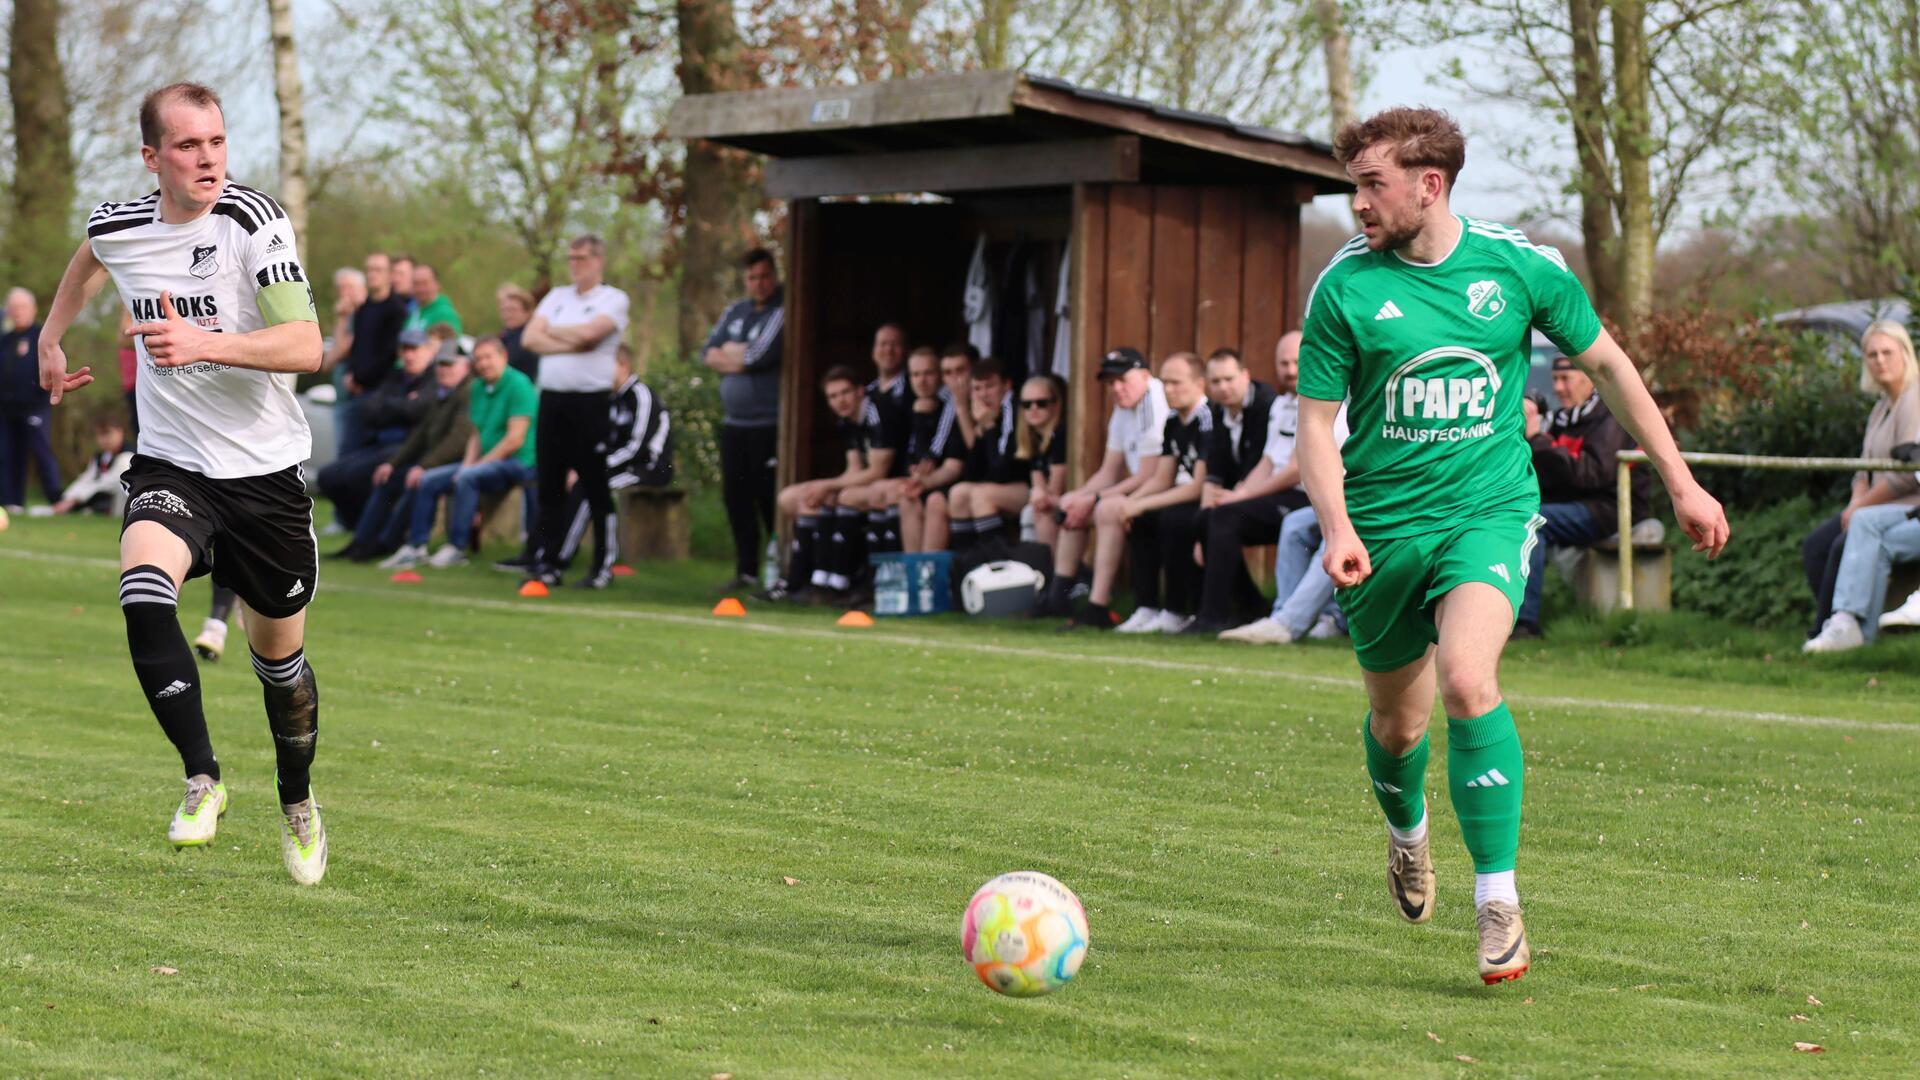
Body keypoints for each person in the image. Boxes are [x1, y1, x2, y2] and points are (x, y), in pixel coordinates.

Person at [1294, 107, 1726, 983]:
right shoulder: (1343, 285)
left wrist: (1680, 481)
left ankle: (1499, 901)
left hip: (1487, 511)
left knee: (1466, 679)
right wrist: (1337, 527)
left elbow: (1610, 365)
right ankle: (1408, 834)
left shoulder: (1519, 265)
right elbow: (1313, 424)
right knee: (1398, 720)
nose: (1359, 205)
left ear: (1430, 184)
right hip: (1380, 527)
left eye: (1372, 185)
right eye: (1354, 187)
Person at [37, 82, 334, 883]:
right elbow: (93, 255)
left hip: (266, 479)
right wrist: (52, 335)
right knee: (141, 583)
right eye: (188, 146)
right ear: (152, 158)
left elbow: (307, 346)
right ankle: (202, 776)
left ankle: (298, 800)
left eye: (217, 142)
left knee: (281, 667)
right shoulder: (125, 223)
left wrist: (206, 342)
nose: (208, 159)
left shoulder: (253, 222)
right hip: (175, 466)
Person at [1513, 355, 1653, 637]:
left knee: (1533, 520)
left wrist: (1539, 440)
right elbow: (1551, 476)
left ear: (1588, 379)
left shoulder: (1609, 416)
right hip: (1578, 503)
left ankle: (1525, 623)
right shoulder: (1562, 419)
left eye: (1566, 379)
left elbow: (1592, 475)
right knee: (1514, 511)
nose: (1559, 388)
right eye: (1555, 380)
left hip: (1611, 509)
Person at [1802, 320, 1920, 651]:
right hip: (1874, 505)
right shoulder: (1880, 406)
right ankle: (1835, 626)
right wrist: (1856, 502)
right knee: (1816, 545)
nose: (1880, 360)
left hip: (1906, 506)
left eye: (1887, 352)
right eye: (1872, 354)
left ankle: (1837, 631)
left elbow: (1908, 473)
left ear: (1905, 354)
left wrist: (1862, 507)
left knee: (1844, 543)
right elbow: (1863, 469)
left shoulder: (1915, 399)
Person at [521, 234, 630, 590]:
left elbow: (592, 335)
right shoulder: (556, 297)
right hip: (553, 401)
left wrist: (553, 332)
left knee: (594, 486)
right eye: (571, 258)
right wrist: (568, 337)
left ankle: (603, 566)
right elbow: (529, 339)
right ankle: (548, 561)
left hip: (589, 402)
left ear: (598, 261)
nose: (574, 264)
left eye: (581, 258)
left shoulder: (613, 299)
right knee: (549, 485)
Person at [1040, 346, 1168, 618]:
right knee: (1071, 502)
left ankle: (1098, 605)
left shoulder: (1153, 404)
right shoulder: (1124, 408)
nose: (1117, 388)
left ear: (1145, 375)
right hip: (1145, 487)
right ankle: (1059, 596)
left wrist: (1096, 499)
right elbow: (1108, 471)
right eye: (1111, 383)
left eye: (1123, 380)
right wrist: (1080, 497)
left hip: (1166, 488)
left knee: (1106, 509)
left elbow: (1149, 475)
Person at [1099, 352, 1212, 634]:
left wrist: (1139, 504)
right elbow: (1162, 478)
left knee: (1172, 519)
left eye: (1177, 383)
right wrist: (1132, 504)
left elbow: (1198, 486)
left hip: (1211, 497)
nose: (1169, 390)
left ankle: (1175, 610)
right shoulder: (1173, 421)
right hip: (1183, 494)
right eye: (1167, 383)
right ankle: (1146, 606)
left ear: (1199, 384)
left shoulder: (1208, 418)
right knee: (1142, 517)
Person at [1190, 341, 1299, 634]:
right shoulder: (1282, 404)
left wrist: (1244, 496)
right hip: (1276, 492)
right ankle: (1248, 607)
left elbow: (1295, 470)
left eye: (1297, 362)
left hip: (1308, 497)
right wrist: (1236, 496)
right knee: (1208, 516)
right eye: (1284, 364)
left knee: (1225, 517)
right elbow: (1268, 461)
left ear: (1246, 376)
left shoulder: (1317, 402)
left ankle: (1213, 616)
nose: (1291, 371)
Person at [771, 366, 900, 603]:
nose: (840, 401)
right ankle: (807, 580)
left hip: (894, 482)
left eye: (845, 393)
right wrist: (827, 488)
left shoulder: (877, 411)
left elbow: (878, 470)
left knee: (842, 496)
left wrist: (828, 485)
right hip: (868, 484)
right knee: (791, 497)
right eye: (833, 396)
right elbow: (854, 469)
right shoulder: (846, 421)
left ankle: (842, 580)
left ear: (860, 391)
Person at [341, 334, 475, 563]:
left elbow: (457, 441)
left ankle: (399, 544)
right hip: (437, 461)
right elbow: (420, 435)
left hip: (459, 462)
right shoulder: (445, 393)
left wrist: (423, 466)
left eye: (449, 364)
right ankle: (363, 542)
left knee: (421, 480)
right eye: (440, 364)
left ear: (465, 366)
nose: (443, 370)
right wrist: (392, 463)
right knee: (388, 477)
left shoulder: (467, 393)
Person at [705, 247, 785, 592]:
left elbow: (759, 355)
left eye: (765, 276)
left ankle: (778, 570)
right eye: (752, 277)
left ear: (775, 276)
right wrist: (736, 358)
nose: (759, 283)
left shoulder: (782, 311)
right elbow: (709, 353)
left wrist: (737, 355)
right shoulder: (735, 311)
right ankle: (746, 569)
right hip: (735, 424)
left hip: (768, 425)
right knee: (736, 496)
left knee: (768, 497)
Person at [551, 343, 669, 573]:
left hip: (648, 468)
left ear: (623, 365)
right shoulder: (609, 399)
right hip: (620, 467)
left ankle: (592, 565)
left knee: (595, 489)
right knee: (569, 483)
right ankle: (551, 552)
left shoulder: (641, 396)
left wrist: (592, 469)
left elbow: (637, 448)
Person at [318, 325, 437, 531]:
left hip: (406, 448)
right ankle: (354, 524)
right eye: (405, 349)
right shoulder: (396, 376)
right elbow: (370, 409)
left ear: (428, 350)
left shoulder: (432, 380)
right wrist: (402, 404)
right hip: (379, 444)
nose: (409, 355)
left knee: (355, 475)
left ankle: (372, 526)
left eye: (414, 349)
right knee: (328, 475)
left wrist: (391, 405)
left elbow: (417, 410)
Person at [327, 253, 409, 457]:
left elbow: (389, 355)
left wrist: (360, 379)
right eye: (369, 269)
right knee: (346, 452)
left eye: (378, 270)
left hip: (379, 395)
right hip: (355, 391)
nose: (372, 274)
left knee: (361, 456)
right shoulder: (364, 309)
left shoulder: (397, 310)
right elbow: (357, 347)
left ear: (390, 275)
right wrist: (352, 374)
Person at [905, 343, 980, 552]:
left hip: (976, 480)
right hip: (949, 478)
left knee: (936, 500)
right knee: (907, 497)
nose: (955, 379)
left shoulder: (980, 401)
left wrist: (962, 407)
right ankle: (916, 577)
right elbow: (923, 458)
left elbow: (976, 454)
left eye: (960, 371)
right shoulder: (935, 404)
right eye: (948, 372)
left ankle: (929, 574)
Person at [942, 357, 1021, 551]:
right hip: (1003, 485)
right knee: (958, 493)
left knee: (980, 495)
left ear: (1006, 386)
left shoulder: (1012, 408)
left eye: (990, 386)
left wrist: (990, 427)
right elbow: (973, 473)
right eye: (977, 389)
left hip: (1026, 486)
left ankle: (996, 568)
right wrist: (981, 430)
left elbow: (1001, 472)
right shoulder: (988, 414)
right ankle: (968, 565)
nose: (984, 394)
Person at [1, 287, 64, 510]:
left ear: (33, 309)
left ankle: (56, 500)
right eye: (13, 308)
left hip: (35, 407)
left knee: (40, 451)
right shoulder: (5, 340)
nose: (17, 312)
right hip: (7, 410)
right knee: (8, 454)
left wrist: (41, 394)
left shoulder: (43, 337)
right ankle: (11, 501)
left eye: (22, 307)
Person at [43, 412, 133, 515]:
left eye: (108, 433)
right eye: (100, 435)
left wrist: (76, 499)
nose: (104, 440)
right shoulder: (100, 456)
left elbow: (109, 483)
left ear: (120, 432)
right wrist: (68, 497)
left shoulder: (128, 456)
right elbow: (87, 478)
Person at [1017, 373, 1070, 550]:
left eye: (1041, 403)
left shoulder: (1061, 434)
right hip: (1055, 500)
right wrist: (1038, 493)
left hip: (1071, 499)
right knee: (1033, 509)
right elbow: (1039, 486)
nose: (1033, 409)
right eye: (1026, 404)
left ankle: (1051, 571)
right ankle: (1035, 569)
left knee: (1038, 510)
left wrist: (1039, 494)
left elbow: (1055, 490)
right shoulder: (1034, 438)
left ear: (1055, 405)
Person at [400, 262, 461, 336]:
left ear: (437, 284)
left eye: (425, 283)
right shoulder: (411, 312)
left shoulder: (445, 314)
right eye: (416, 284)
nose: (420, 289)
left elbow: (449, 345)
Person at [496, 283, 540, 380]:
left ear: (528, 312)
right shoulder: (504, 336)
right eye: (503, 310)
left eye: (512, 310)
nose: (507, 315)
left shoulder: (531, 336)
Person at [866, 322, 910, 412]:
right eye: (883, 343)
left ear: (906, 351)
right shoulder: (866, 394)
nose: (889, 350)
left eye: (895, 344)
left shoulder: (915, 390)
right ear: (873, 351)